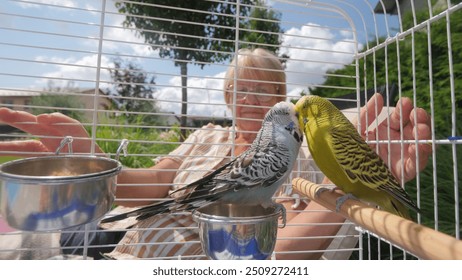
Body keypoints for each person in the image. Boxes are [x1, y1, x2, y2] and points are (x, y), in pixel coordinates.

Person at [0, 48, 432, 260]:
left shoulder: (306, 154)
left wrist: (359, 179)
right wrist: (91, 166)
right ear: (227, 97)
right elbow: (152, 185)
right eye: (242, 89)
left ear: (283, 102)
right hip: (120, 248)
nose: (251, 99)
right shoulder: (206, 135)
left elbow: (279, 253)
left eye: (266, 90)